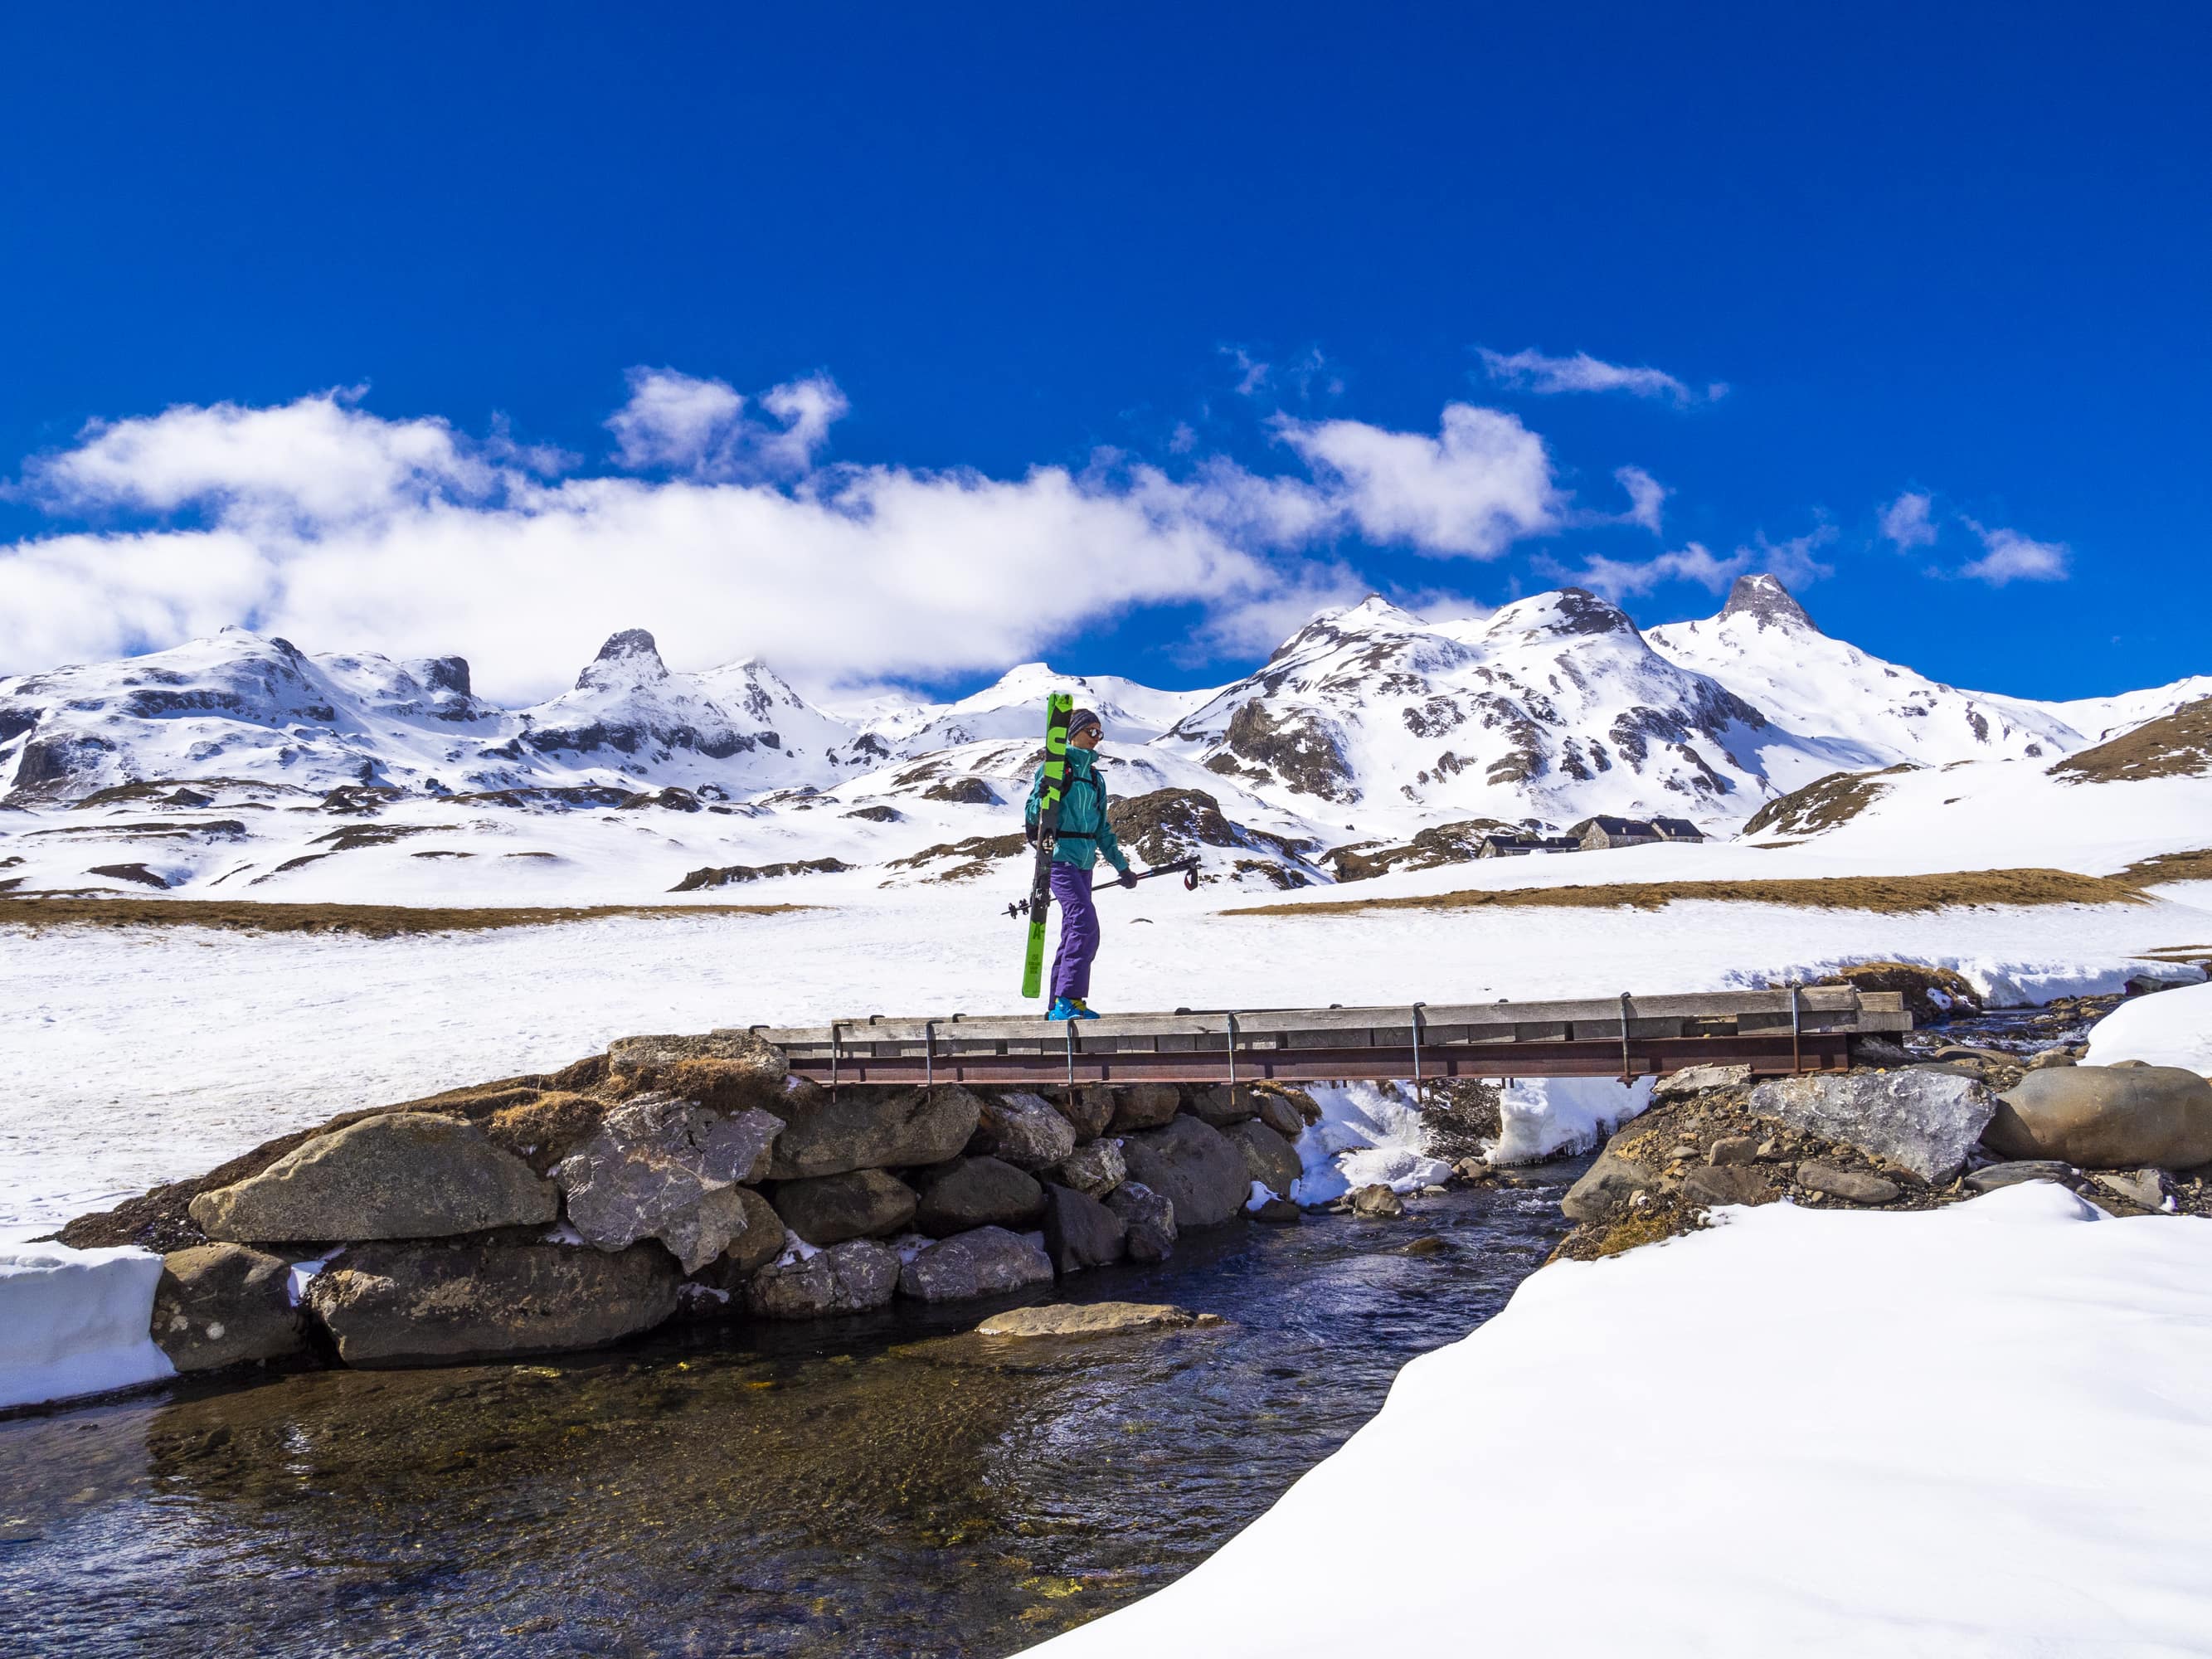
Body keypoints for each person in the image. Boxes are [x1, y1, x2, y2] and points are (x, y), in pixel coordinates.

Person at [1024, 707, 1136, 1019]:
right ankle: (1069, 999)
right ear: (1073, 732)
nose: (1096, 739)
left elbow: (1102, 828)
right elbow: (1033, 813)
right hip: (1058, 859)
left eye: (1100, 733)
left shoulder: (1096, 778)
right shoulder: (1056, 768)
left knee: (1073, 930)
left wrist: (1121, 867)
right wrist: (1044, 795)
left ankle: (1057, 1005)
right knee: (1084, 925)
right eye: (1091, 731)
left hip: (1085, 862)